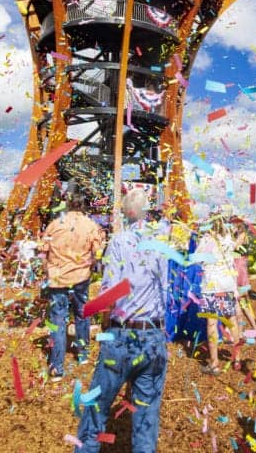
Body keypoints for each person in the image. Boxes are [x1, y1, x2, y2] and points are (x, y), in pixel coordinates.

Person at [74, 187, 169, 453]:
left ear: (125, 213)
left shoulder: (119, 241)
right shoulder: (162, 241)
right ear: (146, 212)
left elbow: (110, 294)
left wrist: (103, 321)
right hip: (154, 335)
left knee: (97, 405)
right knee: (147, 415)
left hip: (123, 335)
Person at [42, 182, 103, 378]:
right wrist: (89, 262)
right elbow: (99, 253)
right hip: (80, 277)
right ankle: (83, 354)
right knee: (82, 314)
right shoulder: (91, 226)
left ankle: (57, 368)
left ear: (67, 205)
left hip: (57, 278)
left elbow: (43, 252)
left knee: (58, 320)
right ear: (83, 206)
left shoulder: (54, 225)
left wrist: (47, 272)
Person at [196, 213, 242, 374]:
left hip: (212, 286)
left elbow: (196, 259)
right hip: (228, 284)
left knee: (212, 323)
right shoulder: (228, 239)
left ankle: (215, 363)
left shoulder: (207, 240)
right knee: (231, 320)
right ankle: (237, 359)